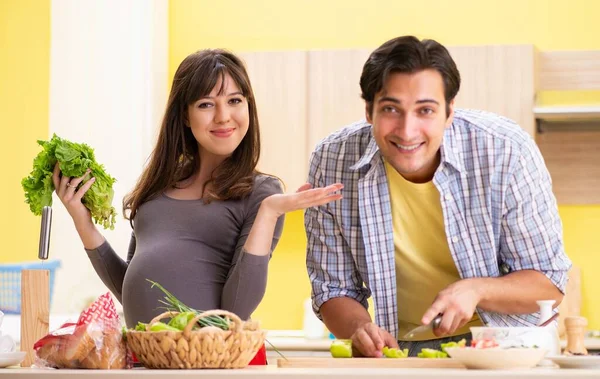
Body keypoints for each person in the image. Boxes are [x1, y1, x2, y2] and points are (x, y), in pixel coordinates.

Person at [305, 36, 572, 357]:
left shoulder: (505, 150)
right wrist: (360, 329)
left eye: (425, 110)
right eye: (391, 109)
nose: (407, 130)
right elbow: (333, 288)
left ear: (449, 112)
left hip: (506, 349)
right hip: (399, 350)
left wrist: (476, 289)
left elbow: (549, 283)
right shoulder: (333, 160)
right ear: (368, 111)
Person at [53, 49, 343, 329]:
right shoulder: (156, 190)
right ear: (184, 115)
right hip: (147, 357)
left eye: (235, 100)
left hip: (206, 362)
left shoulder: (261, 194)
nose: (223, 116)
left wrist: (268, 213)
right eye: (206, 104)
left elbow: (235, 311)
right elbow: (129, 287)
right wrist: (83, 222)